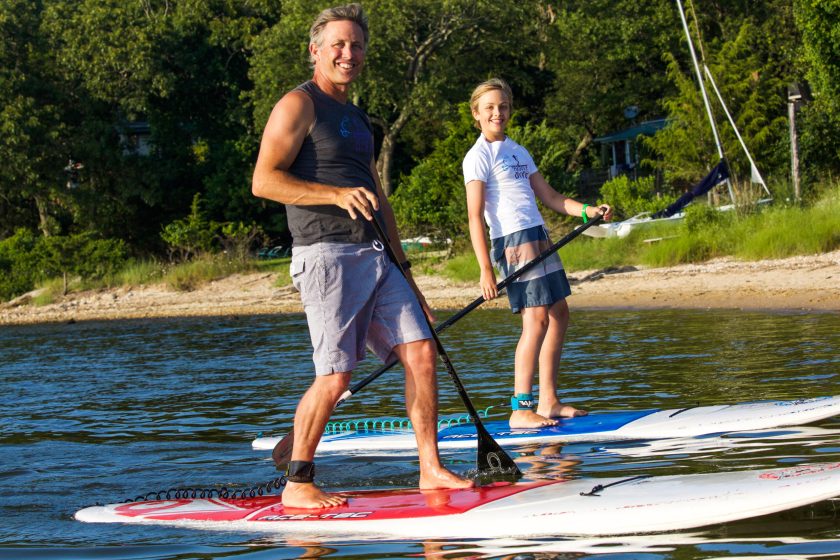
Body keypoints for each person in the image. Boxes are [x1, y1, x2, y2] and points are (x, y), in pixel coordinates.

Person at [252, 4, 473, 510]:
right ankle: (299, 481)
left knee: (420, 352)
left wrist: (407, 272)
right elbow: (264, 180)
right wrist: (333, 195)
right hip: (327, 256)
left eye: (356, 46)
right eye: (338, 44)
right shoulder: (297, 104)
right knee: (335, 376)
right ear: (315, 50)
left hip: (377, 255)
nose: (348, 54)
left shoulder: (357, 118)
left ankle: (431, 470)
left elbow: (377, 195)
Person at [462, 78, 613, 429]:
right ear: (476, 114)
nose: (497, 113)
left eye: (502, 106)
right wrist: (486, 270)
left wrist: (588, 210)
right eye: (489, 108)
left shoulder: (518, 150)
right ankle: (520, 407)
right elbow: (473, 216)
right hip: (512, 241)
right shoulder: (478, 156)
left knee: (559, 312)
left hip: (538, 235)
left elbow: (551, 197)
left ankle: (548, 400)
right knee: (536, 320)